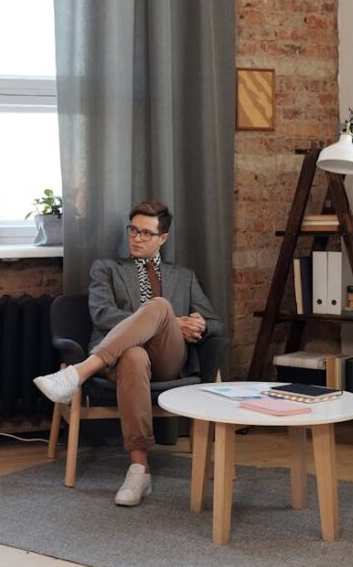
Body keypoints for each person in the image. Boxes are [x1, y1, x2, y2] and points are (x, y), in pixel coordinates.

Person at [31, 201, 220, 506]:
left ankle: (78, 373)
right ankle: (139, 469)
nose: (137, 238)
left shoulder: (183, 276)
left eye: (146, 233)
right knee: (135, 352)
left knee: (159, 307)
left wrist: (198, 325)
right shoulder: (107, 268)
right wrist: (171, 320)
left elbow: (213, 323)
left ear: (163, 238)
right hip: (120, 360)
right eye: (133, 230)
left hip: (168, 359)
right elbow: (103, 315)